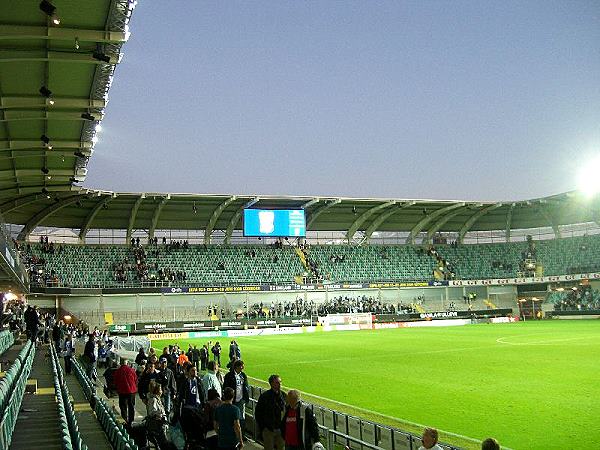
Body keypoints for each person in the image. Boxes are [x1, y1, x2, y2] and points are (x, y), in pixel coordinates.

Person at [255, 374, 286, 450]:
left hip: (281, 430)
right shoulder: (264, 396)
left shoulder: (284, 396)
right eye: (277, 382)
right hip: (269, 430)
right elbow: (258, 413)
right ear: (271, 384)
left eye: (280, 382)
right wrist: (263, 427)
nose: (280, 384)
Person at [223, 359, 249, 430]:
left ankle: (242, 434)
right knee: (232, 417)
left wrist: (246, 398)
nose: (243, 368)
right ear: (237, 367)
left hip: (241, 400)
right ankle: (232, 432)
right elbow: (225, 387)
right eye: (241, 367)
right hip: (232, 400)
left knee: (241, 418)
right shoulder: (229, 375)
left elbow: (246, 387)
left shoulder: (243, 375)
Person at [113, 358, 138, 425]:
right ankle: (131, 421)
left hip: (122, 391)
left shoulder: (118, 371)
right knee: (131, 406)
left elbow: (115, 381)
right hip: (131, 391)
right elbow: (136, 380)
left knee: (123, 406)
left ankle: (125, 420)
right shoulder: (132, 370)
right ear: (127, 363)